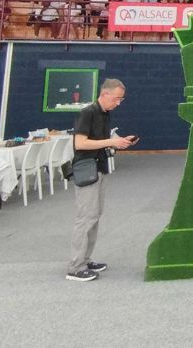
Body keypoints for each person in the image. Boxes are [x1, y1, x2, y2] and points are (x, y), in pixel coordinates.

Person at [67, 78, 137, 282]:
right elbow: (80, 143)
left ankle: (85, 259)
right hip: (86, 169)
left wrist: (119, 142)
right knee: (85, 218)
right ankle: (75, 267)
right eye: (116, 98)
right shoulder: (87, 112)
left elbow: (99, 141)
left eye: (121, 99)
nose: (118, 103)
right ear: (105, 94)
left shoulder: (105, 114)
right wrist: (110, 142)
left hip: (99, 168)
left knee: (94, 216)